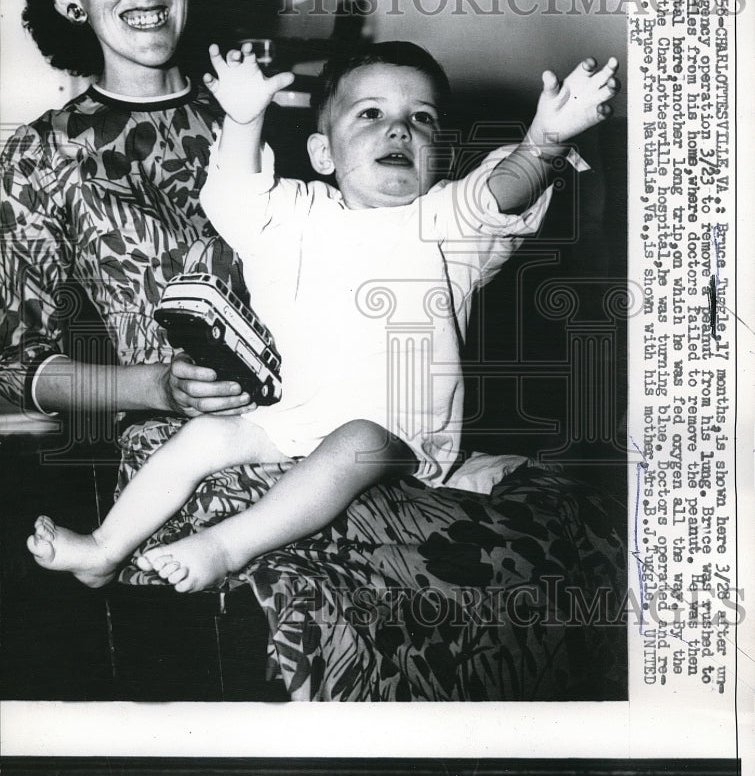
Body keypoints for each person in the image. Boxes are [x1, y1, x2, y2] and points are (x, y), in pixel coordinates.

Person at [26, 38, 619, 593]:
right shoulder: (296, 211)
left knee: (353, 440)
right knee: (204, 436)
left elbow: (500, 194)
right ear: (321, 152)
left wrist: (546, 141)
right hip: (288, 416)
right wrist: (242, 119)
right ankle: (106, 546)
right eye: (369, 114)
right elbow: (233, 193)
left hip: (397, 437)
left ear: (441, 154)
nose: (399, 128)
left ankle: (227, 547)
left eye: (423, 118)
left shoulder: (446, 223)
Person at [0, 0, 286, 438]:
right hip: (184, 454)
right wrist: (157, 385)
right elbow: (14, 363)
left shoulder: (255, 114)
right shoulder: (40, 153)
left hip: (324, 421)